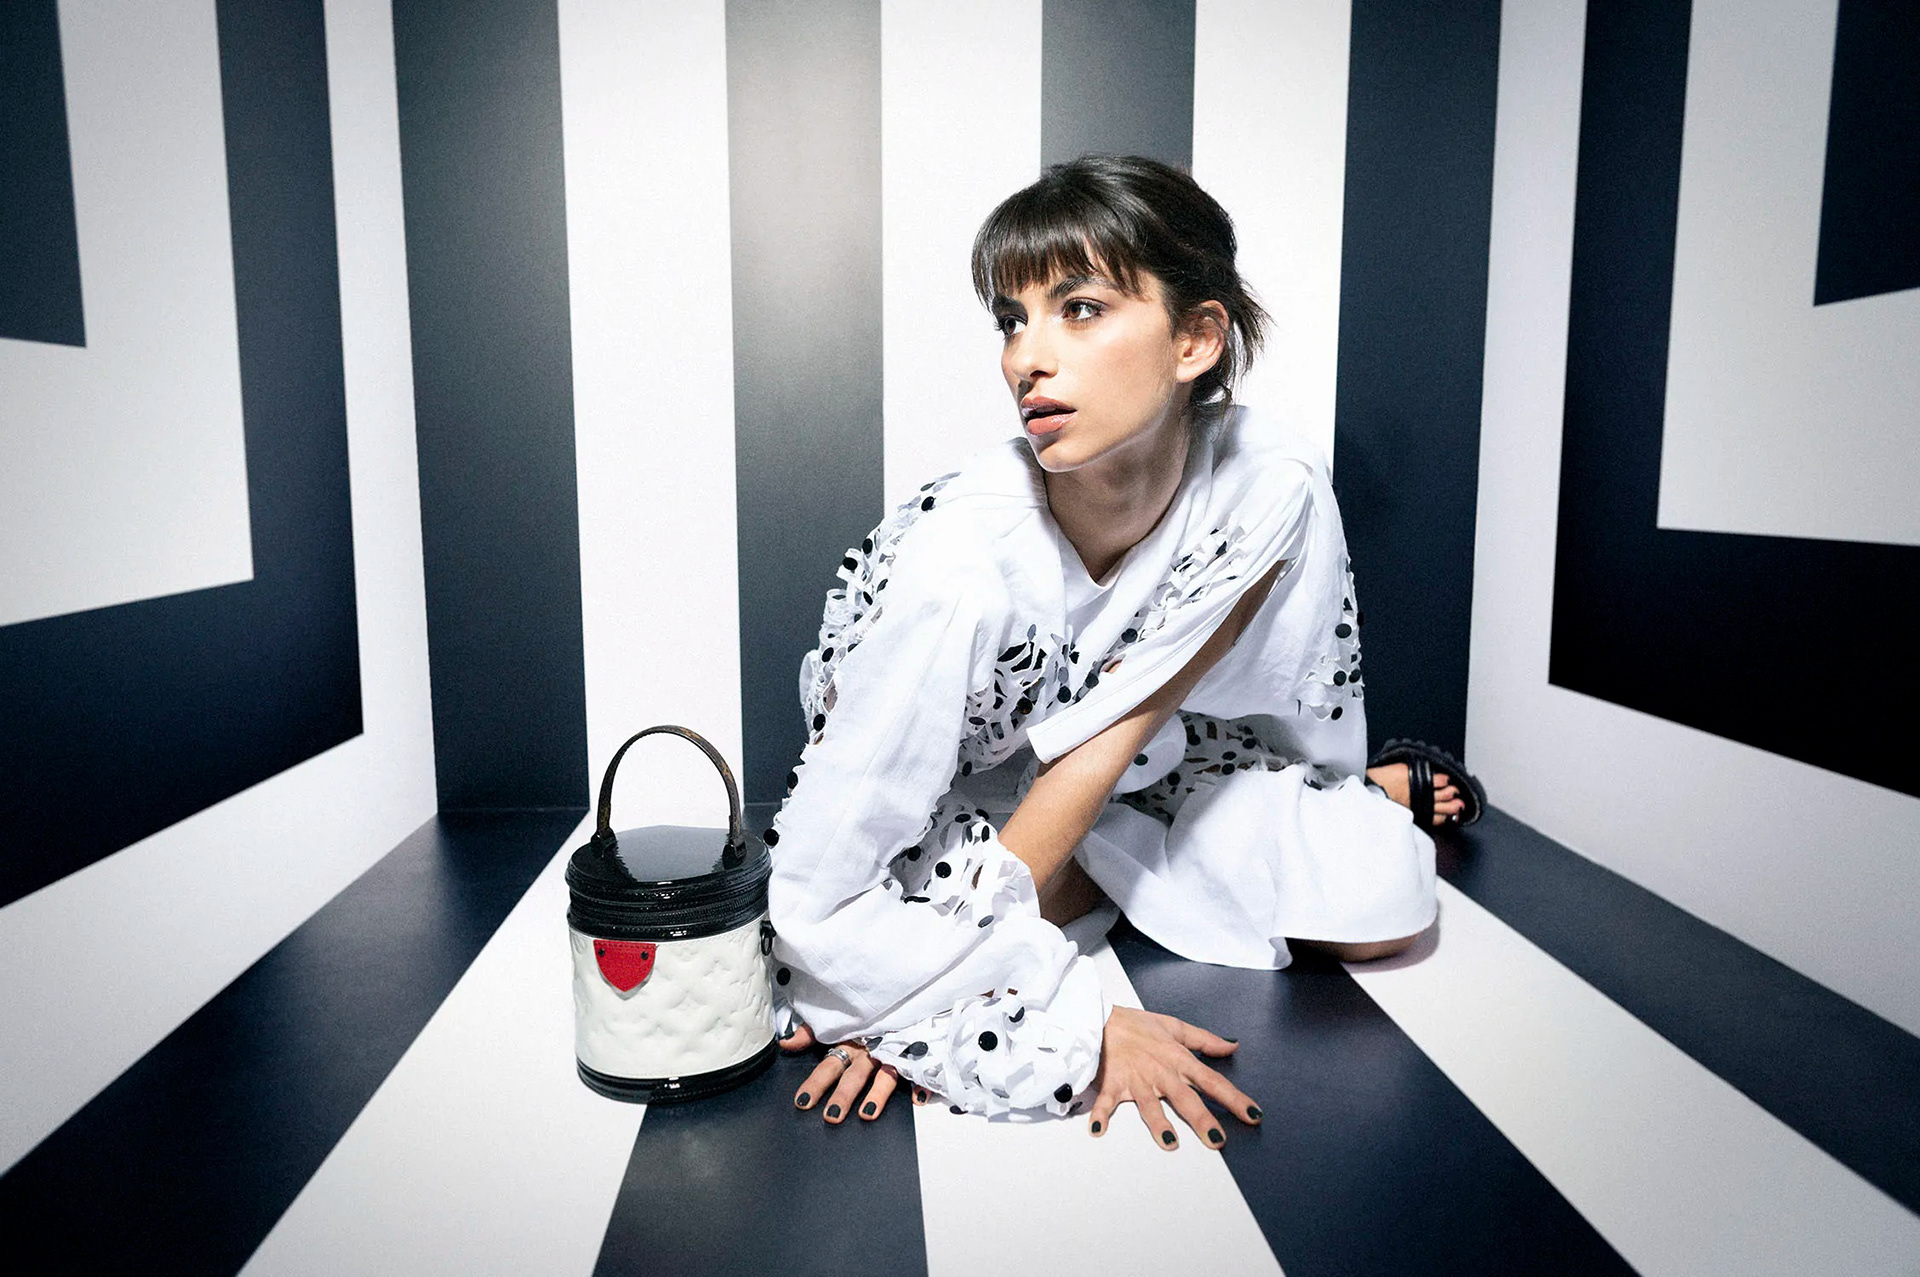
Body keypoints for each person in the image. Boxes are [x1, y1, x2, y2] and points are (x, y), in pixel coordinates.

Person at [762, 155, 1479, 1149]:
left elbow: (1136, 723)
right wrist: (1040, 1022)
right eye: (1012, 319)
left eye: (1081, 309)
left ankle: (1354, 797)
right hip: (958, 801)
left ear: (1195, 339)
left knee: (1383, 895)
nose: (1026, 358)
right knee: (875, 933)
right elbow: (814, 896)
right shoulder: (961, 566)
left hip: (1147, 761)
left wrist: (919, 981)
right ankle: (1095, 884)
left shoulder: (1266, 482)